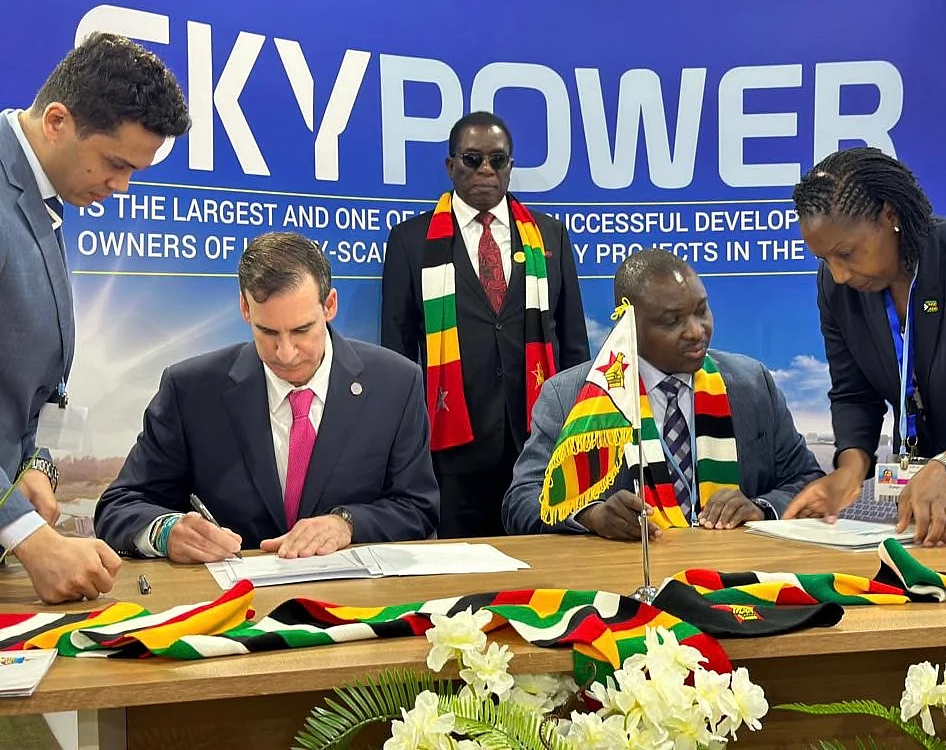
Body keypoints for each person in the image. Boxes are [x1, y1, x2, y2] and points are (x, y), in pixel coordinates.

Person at [94, 232, 439, 562]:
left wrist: (347, 524)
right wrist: (166, 532)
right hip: (232, 595)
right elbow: (119, 506)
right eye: (268, 331)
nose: (285, 353)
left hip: (352, 596)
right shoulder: (190, 390)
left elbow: (418, 508)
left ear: (329, 305)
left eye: (302, 330)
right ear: (245, 309)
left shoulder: (395, 384)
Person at [0, 33, 190, 602]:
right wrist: (27, 535)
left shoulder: (38, 197)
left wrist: (30, 465)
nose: (122, 186)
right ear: (57, 121)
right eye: (114, 163)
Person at [783, 147, 946, 547]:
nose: (838, 275)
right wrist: (849, 469)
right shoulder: (838, 289)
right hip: (922, 518)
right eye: (825, 259)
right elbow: (853, 393)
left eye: (846, 254)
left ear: (889, 215)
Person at [503, 249, 823, 539]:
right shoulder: (570, 396)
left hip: (733, 572)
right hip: (627, 574)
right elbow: (521, 501)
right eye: (672, 321)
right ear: (628, 325)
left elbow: (808, 479)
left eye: (701, 310)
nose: (696, 331)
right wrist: (591, 516)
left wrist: (760, 508)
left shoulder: (752, 383)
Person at [381, 111, 590, 539]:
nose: (486, 170)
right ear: (451, 165)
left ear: (510, 166)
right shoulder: (410, 241)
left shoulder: (550, 236)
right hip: (453, 447)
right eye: (472, 159)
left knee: (546, 563)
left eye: (498, 160)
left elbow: (573, 343)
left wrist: (575, 429)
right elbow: (396, 353)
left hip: (538, 445)